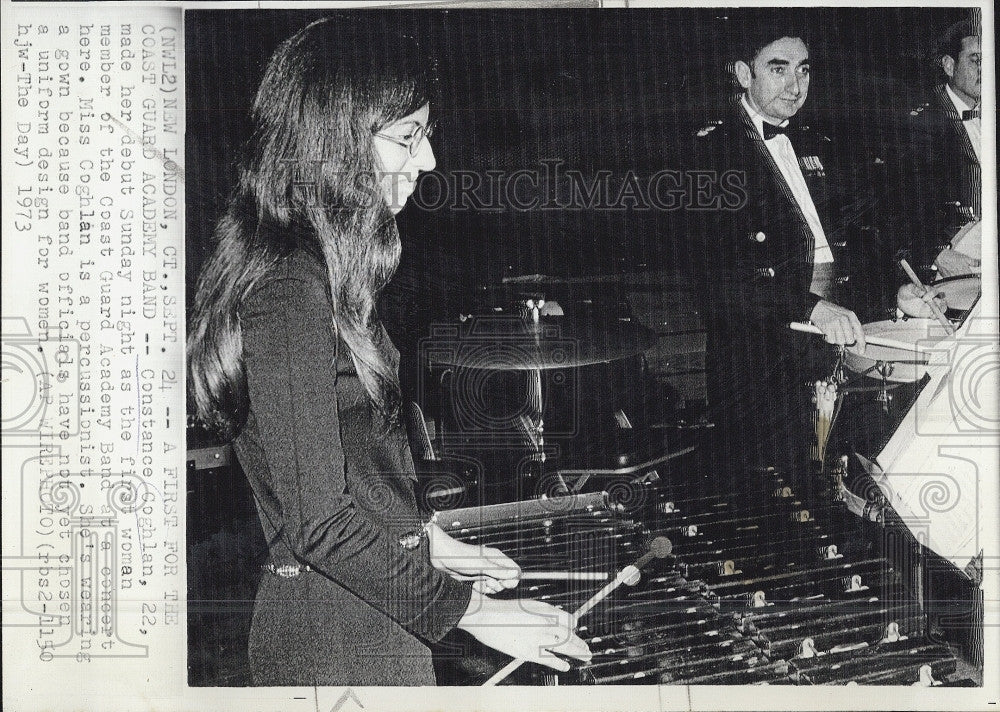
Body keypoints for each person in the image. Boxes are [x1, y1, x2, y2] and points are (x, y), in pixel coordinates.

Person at [187, 17, 590, 686]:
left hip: (367, 614)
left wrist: (426, 539)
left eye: (425, 134)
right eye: (408, 137)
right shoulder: (290, 290)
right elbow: (316, 523)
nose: (428, 159)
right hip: (333, 640)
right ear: (337, 143)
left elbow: (343, 465)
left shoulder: (325, 275)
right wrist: (474, 614)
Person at [685, 26, 867, 496]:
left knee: (844, 477)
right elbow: (720, 282)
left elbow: (851, 239)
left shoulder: (819, 143)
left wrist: (895, 286)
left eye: (803, 70)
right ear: (743, 74)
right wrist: (809, 307)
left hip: (833, 342)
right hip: (760, 356)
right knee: (777, 494)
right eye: (778, 68)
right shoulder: (709, 155)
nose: (795, 85)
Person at [889, 19, 982, 283]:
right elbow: (894, 203)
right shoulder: (916, 123)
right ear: (949, 65)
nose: (985, 70)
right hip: (953, 267)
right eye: (975, 60)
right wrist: (936, 253)